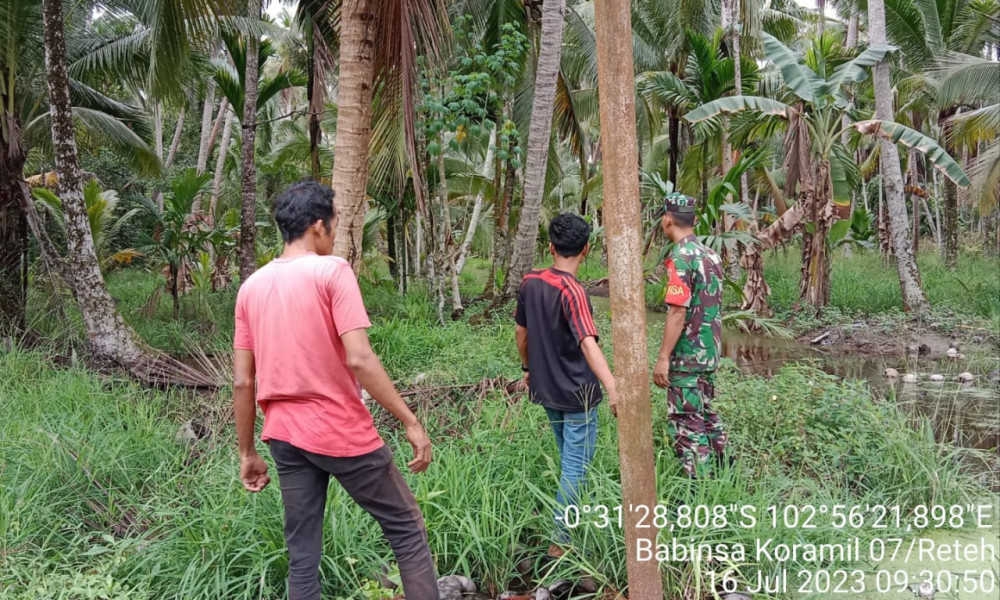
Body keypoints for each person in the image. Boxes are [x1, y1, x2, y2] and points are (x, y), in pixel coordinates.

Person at [232, 180, 439, 600]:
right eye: (335, 222)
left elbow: (242, 380)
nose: (336, 230)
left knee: (302, 553)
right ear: (318, 226)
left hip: (284, 436)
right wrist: (410, 421)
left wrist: (247, 452)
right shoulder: (332, 271)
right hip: (339, 431)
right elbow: (360, 359)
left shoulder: (251, 287)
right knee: (406, 528)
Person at [514, 213, 618, 556]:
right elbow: (588, 342)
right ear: (586, 250)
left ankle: (570, 526)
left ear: (550, 246)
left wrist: (528, 368)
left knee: (568, 460)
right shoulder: (572, 291)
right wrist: (613, 386)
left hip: (546, 390)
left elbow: (521, 333)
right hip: (578, 395)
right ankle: (562, 542)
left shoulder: (531, 282)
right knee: (575, 466)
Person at [652, 192, 728, 479]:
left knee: (687, 423)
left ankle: (698, 490)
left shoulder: (680, 259)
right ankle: (725, 476)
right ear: (694, 220)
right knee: (707, 417)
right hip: (709, 354)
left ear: (667, 220)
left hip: (686, 358)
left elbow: (677, 312)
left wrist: (663, 358)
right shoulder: (712, 256)